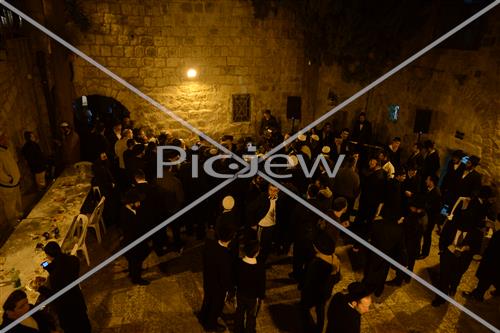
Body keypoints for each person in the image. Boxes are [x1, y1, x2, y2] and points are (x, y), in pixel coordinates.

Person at [432, 212, 482, 306]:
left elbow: (477, 249)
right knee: (444, 278)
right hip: (448, 255)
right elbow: (442, 238)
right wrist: (444, 250)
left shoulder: (477, 233)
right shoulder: (451, 225)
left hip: (462, 260)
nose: (462, 229)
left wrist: (468, 248)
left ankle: (453, 287)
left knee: (456, 277)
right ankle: (440, 298)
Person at [41, 242, 91, 333]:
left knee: (72, 328)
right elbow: (62, 267)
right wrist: (48, 266)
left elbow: (55, 296)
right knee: (84, 322)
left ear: (50, 256)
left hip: (67, 308)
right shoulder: (74, 260)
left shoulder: (55, 277)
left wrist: (40, 289)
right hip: (77, 299)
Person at [301, 232, 341, 333]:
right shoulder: (335, 259)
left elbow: (307, 281)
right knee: (320, 308)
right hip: (325, 292)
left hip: (314, 292)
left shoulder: (316, 263)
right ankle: (320, 327)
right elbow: (337, 278)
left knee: (305, 308)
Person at [199, 224, 235, 332]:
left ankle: (203, 316)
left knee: (207, 300)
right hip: (218, 287)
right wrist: (229, 289)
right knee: (216, 306)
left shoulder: (209, 245)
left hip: (207, 280)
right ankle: (210, 325)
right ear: (230, 239)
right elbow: (225, 277)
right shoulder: (225, 256)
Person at [120, 190, 151, 285]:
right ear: (131, 203)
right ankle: (136, 278)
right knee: (136, 260)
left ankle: (133, 272)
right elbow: (134, 230)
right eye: (137, 201)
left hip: (135, 240)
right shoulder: (126, 215)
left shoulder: (131, 210)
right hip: (133, 242)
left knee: (135, 260)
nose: (139, 203)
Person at [235, 240, 266, 333]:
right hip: (252, 297)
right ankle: (249, 330)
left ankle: (238, 330)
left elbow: (235, 278)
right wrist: (261, 297)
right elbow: (261, 284)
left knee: (239, 312)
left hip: (240, 293)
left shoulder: (239, 263)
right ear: (256, 253)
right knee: (251, 315)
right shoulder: (260, 267)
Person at [462, 226, 500, 301]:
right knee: (491, 277)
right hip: (494, 260)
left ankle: (478, 295)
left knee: (486, 277)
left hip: (493, 261)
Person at [246, 183, 280, 264]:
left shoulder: (280, 199)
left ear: (278, 191)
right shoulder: (262, 197)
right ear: (268, 189)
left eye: (275, 190)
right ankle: (258, 263)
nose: (272, 192)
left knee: (267, 246)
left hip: (272, 227)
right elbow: (249, 209)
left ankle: (262, 262)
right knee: (260, 246)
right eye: (270, 190)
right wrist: (252, 223)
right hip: (263, 226)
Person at [0, 130, 22, 230]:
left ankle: (20, 220)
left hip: (14, 183)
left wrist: (16, 177)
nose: (7, 140)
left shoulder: (6, 150)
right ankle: (13, 225)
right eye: (5, 138)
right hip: (8, 186)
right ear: (1, 140)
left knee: (17, 203)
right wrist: (9, 179)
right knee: (10, 206)